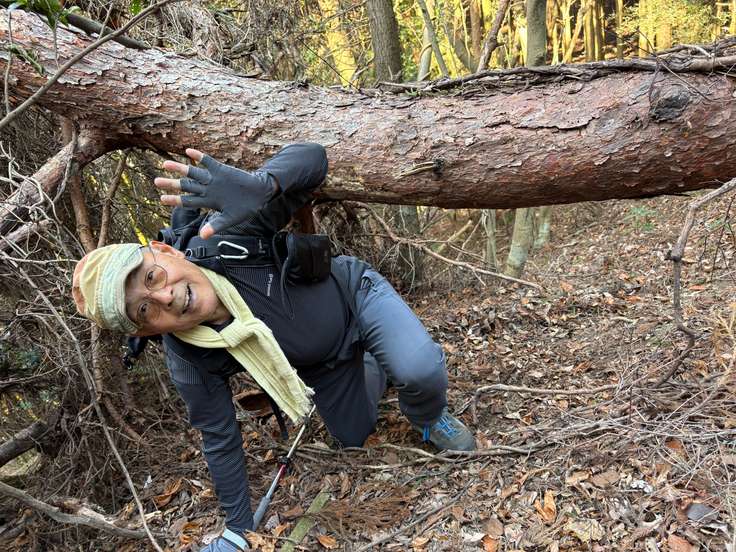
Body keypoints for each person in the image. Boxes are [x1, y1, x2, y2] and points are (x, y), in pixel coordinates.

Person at [71, 143, 475, 552]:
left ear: (165, 251)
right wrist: (237, 529)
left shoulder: (226, 239)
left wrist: (262, 185)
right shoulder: (190, 356)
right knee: (353, 436)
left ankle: (428, 415)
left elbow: (314, 160)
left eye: (152, 278)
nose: (166, 298)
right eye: (143, 310)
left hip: (356, 296)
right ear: (144, 333)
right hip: (324, 364)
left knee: (419, 370)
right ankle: (376, 358)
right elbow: (219, 437)